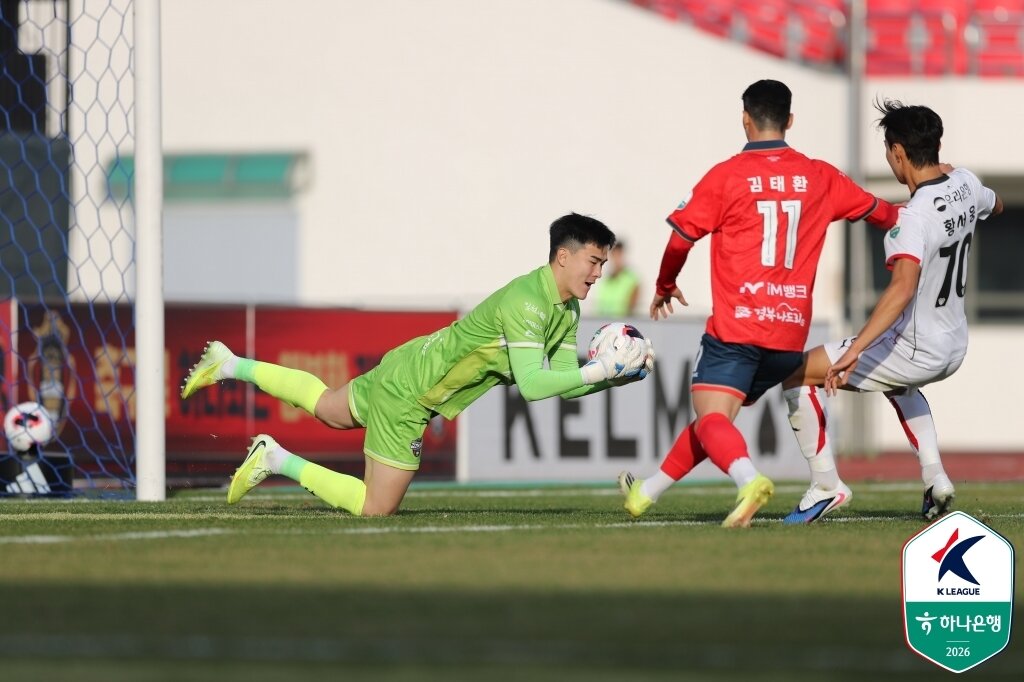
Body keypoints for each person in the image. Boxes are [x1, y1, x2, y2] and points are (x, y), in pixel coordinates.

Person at [181, 213, 655, 516]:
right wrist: (599, 370)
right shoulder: (528, 301)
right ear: (563, 255)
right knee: (375, 508)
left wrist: (613, 376)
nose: (599, 273)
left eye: (602, 263)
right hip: (412, 393)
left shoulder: (565, 307)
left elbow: (559, 382)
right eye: (593, 262)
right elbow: (533, 387)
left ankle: (230, 363)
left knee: (326, 406)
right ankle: (275, 457)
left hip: (410, 364)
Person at [617, 79, 900, 527]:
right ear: (789, 121)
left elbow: (679, 240)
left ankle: (749, 480)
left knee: (711, 417)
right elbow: (887, 215)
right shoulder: (821, 176)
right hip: (788, 335)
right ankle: (645, 494)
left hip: (737, 327)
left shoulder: (726, 175)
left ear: (745, 118)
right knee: (715, 422)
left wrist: (665, 283)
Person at [780, 100, 1003, 524]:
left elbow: (902, 288)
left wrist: (854, 350)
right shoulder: (968, 184)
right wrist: (956, 189)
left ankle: (826, 484)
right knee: (896, 383)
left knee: (795, 373)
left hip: (917, 346)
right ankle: (936, 477)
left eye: (888, 151)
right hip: (955, 342)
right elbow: (997, 207)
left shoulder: (912, 219)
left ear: (898, 153)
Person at [592, 241, 641, 317]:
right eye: (614, 255)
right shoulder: (606, 278)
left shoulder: (632, 279)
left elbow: (632, 307)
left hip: (621, 322)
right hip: (603, 320)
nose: (616, 259)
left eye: (619, 255)